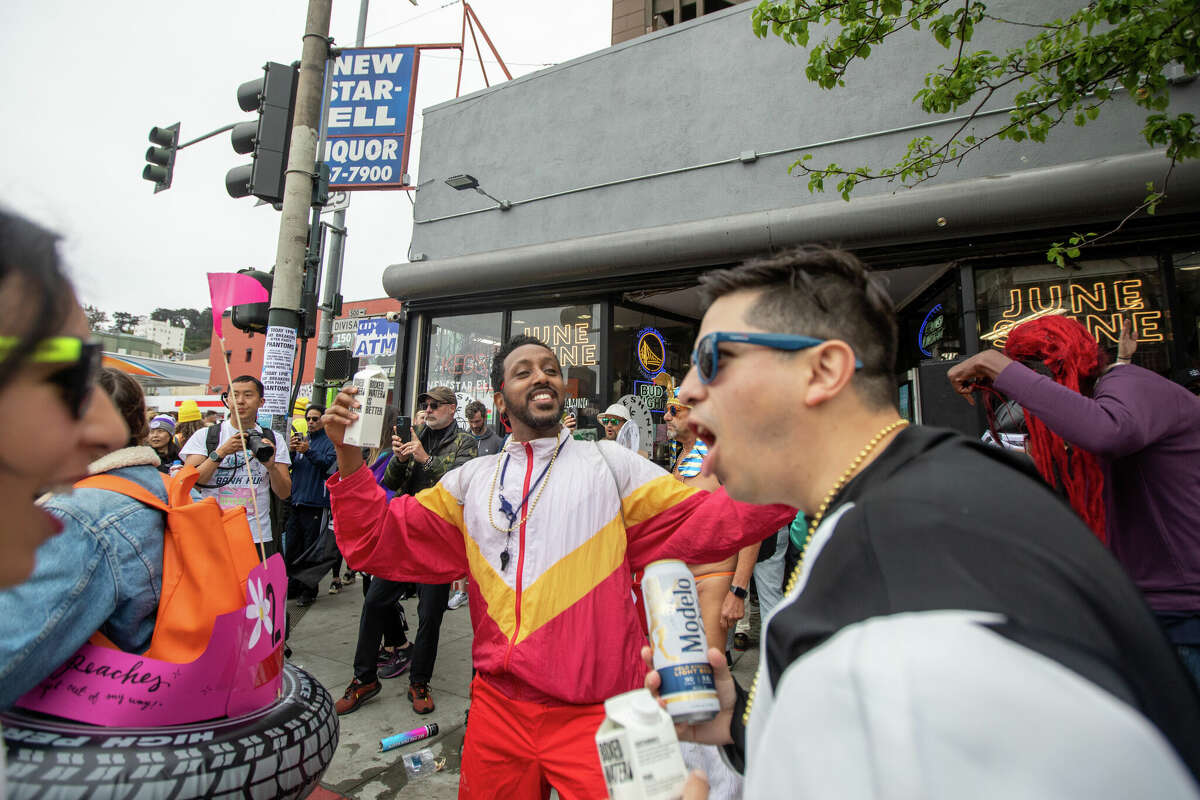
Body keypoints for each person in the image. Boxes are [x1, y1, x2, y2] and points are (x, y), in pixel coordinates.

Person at [650, 245, 1200, 798]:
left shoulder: (916, 568)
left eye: (715, 360)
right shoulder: (890, 503)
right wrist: (740, 726)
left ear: (822, 370)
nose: (687, 391)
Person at [323, 335, 792, 798]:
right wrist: (348, 455)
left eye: (550, 368)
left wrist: (806, 461)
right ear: (500, 398)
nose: (541, 376)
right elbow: (377, 538)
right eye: (523, 371)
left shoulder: (612, 466)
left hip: (605, 714)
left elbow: (712, 518)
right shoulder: (470, 483)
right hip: (497, 714)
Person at [948, 314, 1200, 685]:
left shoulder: (1128, 383)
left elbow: (1107, 432)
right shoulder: (1112, 390)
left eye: (1042, 372)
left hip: (1183, 620)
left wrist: (999, 366)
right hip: (1153, 612)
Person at [0, 365, 160, 708]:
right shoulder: (163, 488)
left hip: (83, 721)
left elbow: (9, 653)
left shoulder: (79, 517)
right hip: (151, 710)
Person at [335, 386, 477, 716]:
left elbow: (464, 483)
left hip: (438, 543)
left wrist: (425, 458)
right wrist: (400, 460)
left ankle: (420, 681)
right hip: (404, 537)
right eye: (425, 404)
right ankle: (364, 678)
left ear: (452, 408)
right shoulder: (415, 435)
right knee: (374, 602)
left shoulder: (465, 442)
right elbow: (391, 484)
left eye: (436, 405)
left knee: (430, 615)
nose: (428, 409)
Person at [663, 392, 759, 654]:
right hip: (679, 579)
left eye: (674, 410)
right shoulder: (681, 458)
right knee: (683, 665)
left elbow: (751, 526)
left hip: (714, 578)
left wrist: (738, 591)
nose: (666, 417)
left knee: (712, 665)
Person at [180, 375, 291, 555]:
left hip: (257, 537)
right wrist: (220, 453)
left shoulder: (273, 440)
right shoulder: (206, 436)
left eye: (248, 395)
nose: (240, 401)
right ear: (227, 400)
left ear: (261, 401)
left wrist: (271, 466)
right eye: (235, 395)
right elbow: (189, 483)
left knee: (256, 585)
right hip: (213, 534)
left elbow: (284, 492)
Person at [284, 404, 337, 605]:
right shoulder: (303, 441)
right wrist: (290, 452)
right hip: (297, 501)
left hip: (316, 502)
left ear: (323, 420)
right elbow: (290, 467)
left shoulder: (330, 441)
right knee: (292, 547)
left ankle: (308, 590)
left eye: (315, 419)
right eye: (308, 419)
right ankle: (293, 586)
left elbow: (330, 466)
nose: (311, 422)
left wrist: (309, 452)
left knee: (310, 548)